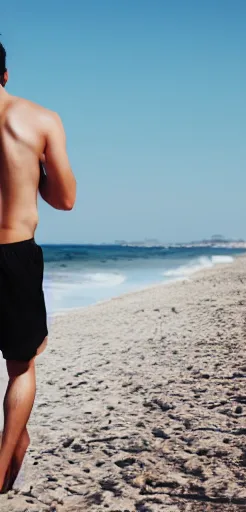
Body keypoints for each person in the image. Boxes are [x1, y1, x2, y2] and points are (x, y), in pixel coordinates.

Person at [0, 40, 76, 492]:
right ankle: (5, 456)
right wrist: (31, 168)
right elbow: (64, 199)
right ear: (5, 74)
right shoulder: (41, 120)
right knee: (21, 367)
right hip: (15, 254)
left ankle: (16, 438)